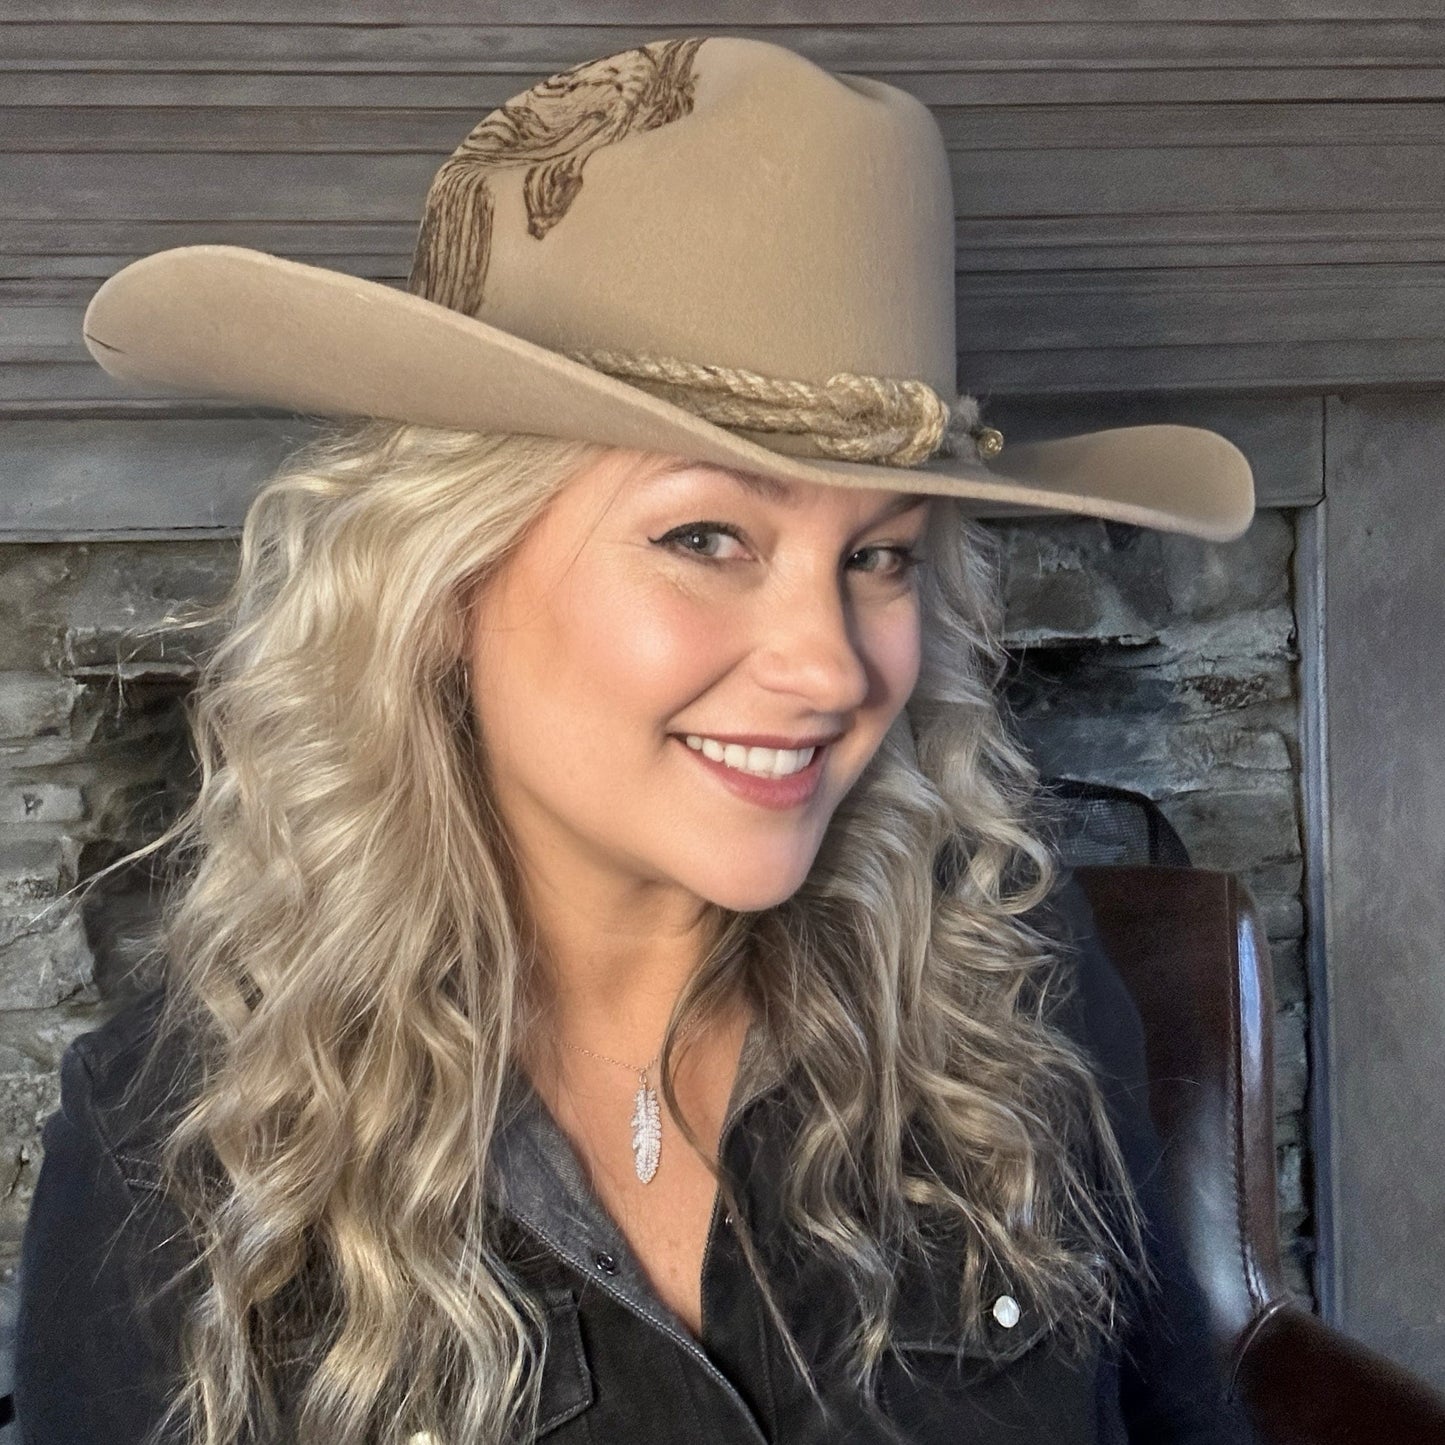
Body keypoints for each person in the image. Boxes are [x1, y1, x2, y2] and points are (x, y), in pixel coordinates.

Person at [14, 34, 1259, 1445]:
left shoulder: (1006, 992)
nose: (828, 667)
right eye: (706, 537)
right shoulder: (179, 1150)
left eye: (880, 556)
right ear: (447, 586)